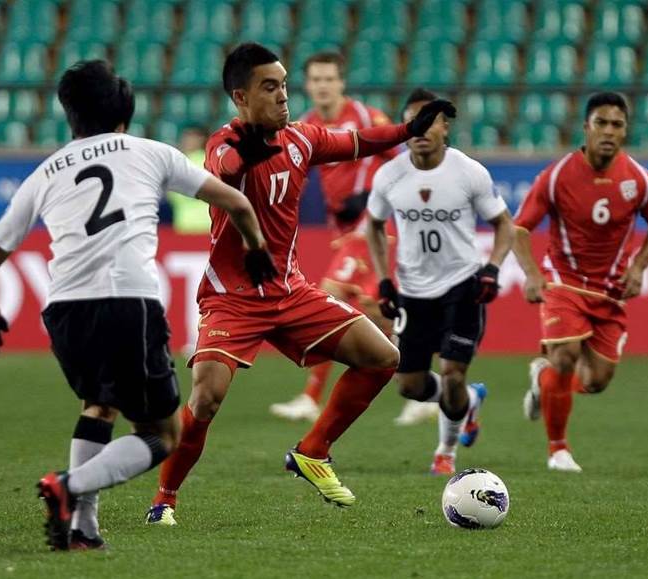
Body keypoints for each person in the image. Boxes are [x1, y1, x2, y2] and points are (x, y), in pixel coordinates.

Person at [145, 43, 456, 524]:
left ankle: (313, 449)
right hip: (233, 299)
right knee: (205, 398)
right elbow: (224, 170)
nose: (284, 95)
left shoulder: (301, 140)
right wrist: (243, 160)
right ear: (241, 97)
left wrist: (408, 130)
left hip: (290, 292)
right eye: (270, 87)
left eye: (285, 84)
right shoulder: (222, 145)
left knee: (383, 357)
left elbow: (358, 142)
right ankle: (164, 498)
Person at [0, 60, 274, 551]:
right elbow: (238, 205)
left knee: (99, 405)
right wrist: (257, 250)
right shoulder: (151, 152)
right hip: (126, 302)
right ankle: (71, 485)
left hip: (65, 310)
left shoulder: (46, 171)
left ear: (70, 116)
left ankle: (83, 528)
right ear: (125, 115)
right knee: (163, 435)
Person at [512, 91, 648, 472]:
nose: (608, 131)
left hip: (611, 290)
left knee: (596, 380)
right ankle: (558, 450)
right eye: (601, 123)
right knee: (565, 355)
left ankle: (544, 376)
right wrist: (533, 275)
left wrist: (638, 268)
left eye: (617, 125)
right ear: (586, 128)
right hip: (563, 282)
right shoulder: (556, 176)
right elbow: (520, 229)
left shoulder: (639, 180)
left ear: (625, 131)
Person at [366, 88, 515, 475]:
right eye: (412, 120)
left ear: (444, 127)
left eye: (428, 120)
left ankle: (445, 451)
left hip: (461, 288)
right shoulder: (389, 175)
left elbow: (504, 224)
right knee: (409, 386)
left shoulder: (468, 172)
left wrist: (493, 268)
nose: (419, 129)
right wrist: (384, 279)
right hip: (413, 294)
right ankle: (469, 400)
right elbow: (374, 225)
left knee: (451, 373)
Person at [268, 51, 416, 423]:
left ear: (341, 83)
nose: (322, 86)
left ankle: (311, 396)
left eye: (328, 79)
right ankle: (425, 383)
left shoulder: (366, 118)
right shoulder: (307, 125)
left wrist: (372, 197)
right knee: (373, 315)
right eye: (315, 80)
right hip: (344, 230)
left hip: (374, 227)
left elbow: (404, 160)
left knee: (330, 297)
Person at [168, 125, 212, 233]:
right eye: (187, 137)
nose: (188, 141)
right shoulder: (179, 161)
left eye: (193, 137)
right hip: (192, 224)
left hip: (192, 224)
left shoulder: (181, 163)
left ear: (202, 139)